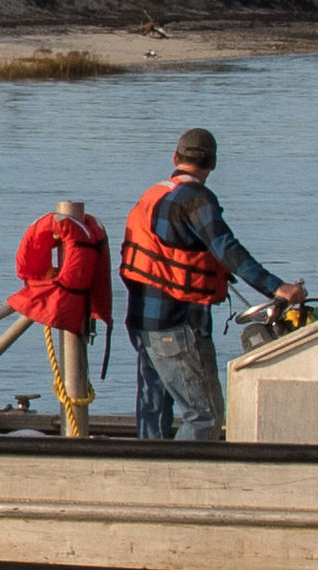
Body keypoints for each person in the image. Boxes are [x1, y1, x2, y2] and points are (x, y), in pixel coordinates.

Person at [120, 126, 303, 443]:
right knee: (203, 416)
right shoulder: (197, 201)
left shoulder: (153, 196)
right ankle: (184, 484)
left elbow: (174, 253)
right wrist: (277, 288)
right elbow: (228, 250)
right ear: (213, 164)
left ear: (176, 158)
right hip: (176, 326)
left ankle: (148, 475)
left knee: (153, 408)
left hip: (142, 323)